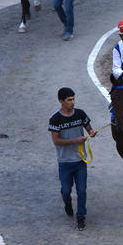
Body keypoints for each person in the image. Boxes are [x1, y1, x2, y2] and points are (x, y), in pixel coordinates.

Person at [48, 87, 97, 231]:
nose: (72, 102)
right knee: (65, 190)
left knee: (82, 190)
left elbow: (88, 128)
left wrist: (92, 132)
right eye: (69, 100)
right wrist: (75, 140)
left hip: (80, 160)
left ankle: (81, 217)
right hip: (65, 162)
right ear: (61, 101)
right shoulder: (55, 119)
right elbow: (56, 141)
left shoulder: (80, 114)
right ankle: (67, 203)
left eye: (73, 99)